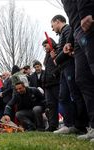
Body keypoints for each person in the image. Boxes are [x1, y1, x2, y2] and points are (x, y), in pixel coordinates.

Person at [61, 0, 94, 142]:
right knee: (82, 79)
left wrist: (86, 11)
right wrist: (69, 40)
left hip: (87, 20)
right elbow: (71, 16)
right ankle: (93, 125)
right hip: (77, 30)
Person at [51, 14, 88, 134]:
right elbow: (62, 49)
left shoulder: (67, 29)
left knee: (75, 95)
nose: (52, 28)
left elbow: (68, 48)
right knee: (63, 96)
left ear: (57, 21)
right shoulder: (62, 34)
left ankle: (81, 124)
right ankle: (69, 124)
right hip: (63, 69)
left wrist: (56, 59)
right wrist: (56, 56)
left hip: (69, 66)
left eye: (52, 25)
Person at [42, 38, 60, 132]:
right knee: (51, 105)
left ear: (50, 43)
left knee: (60, 102)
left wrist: (54, 74)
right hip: (47, 84)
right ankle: (53, 125)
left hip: (56, 82)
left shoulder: (57, 51)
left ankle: (69, 123)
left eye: (46, 45)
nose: (45, 48)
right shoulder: (47, 55)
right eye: (43, 46)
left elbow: (60, 65)